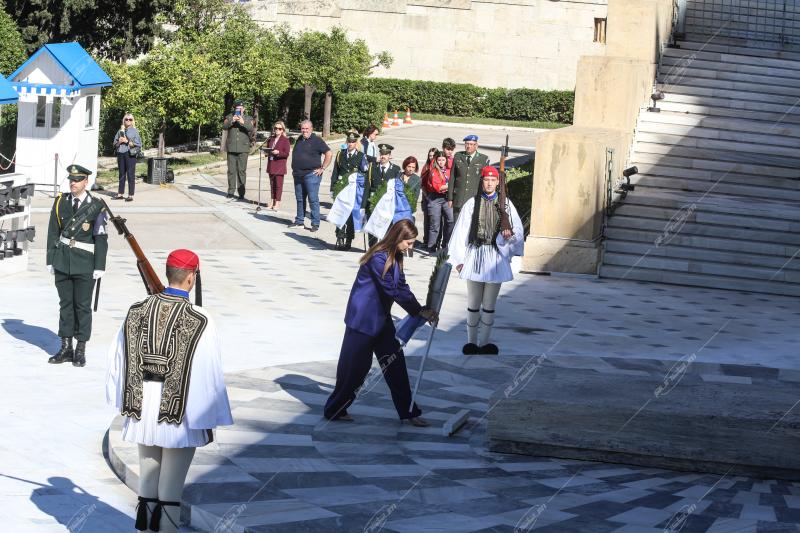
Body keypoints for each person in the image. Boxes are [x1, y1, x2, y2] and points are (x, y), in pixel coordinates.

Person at [106, 249, 233, 533]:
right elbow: (208, 371)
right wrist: (207, 417)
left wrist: (125, 400)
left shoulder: (137, 309)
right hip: (178, 411)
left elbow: (119, 358)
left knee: (148, 484)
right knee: (170, 491)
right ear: (191, 277)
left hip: (142, 407)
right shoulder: (201, 319)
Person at [324, 219, 437, 426]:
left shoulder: (396, 256)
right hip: (363, 322)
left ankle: (408, 412)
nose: (410, 248)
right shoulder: (378, 257)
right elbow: (392, 290)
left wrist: (422, 310)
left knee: (396, 366)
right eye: (408, 243)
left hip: (381, 321)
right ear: (398, 237)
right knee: (355, 370)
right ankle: (335, 409)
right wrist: (419, 311)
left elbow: (401, 286)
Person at [448, 166, 524, 356]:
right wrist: (459, 258)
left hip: (495, 257)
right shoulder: (471, 204)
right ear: (482, 181)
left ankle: (484, 342)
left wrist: (509, 236)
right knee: (473, 302)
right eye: (486, 180)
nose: (489, 183)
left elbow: (517, 232)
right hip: (475, 253)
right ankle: (471, 342)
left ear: (498, 182)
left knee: (489, 304)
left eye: (493, 180)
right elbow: (461, 232)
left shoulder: (506, 205)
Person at [46, 164, 109, 367]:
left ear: (85, 182)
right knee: (65, 306)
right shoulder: (60, 202)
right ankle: (66, 348)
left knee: (82, 307)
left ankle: (80, 349)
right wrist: (50, 260)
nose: (73, 183)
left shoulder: (96, 205)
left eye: (77, 179)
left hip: (85, 264)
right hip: (63, 261)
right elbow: (52, 233)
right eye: (71, 179)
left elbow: (100, 238)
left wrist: (99, 265)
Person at [290, 120, 332, 232]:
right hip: (298, 174)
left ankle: (315, 223)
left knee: (313, 199)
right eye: (303, 128)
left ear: (311, 129)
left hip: (311, 174)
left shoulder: (317, 140)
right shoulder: (299, 139)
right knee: (299, 199)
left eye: (306, 129)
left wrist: (322, 168)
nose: (304, 131)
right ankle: (299, 221)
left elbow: (328, 153)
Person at [330, 130, 369, 250]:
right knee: (340, 213)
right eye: (349, 141)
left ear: (355, 143)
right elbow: (335, 172)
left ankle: (349, 239)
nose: (350, 144)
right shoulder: (340, 154)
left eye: (353, 142)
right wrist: (333, 188)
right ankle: (340, 236)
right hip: (341, 188)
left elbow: (365, 172)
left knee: (351, 216)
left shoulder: (361, 156)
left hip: (353, 190)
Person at [364, 144, 402, 246]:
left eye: (385, 154)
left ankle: (384, 249)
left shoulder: (396, 169)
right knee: (373, 228)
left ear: (389, 155)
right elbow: (367, 187)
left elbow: (397, 189)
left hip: (387, 205)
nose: (383, 156)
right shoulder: (372, 167)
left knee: (386, 229)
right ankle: (372, 249)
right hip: (373, 203)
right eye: (381, 154)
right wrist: (363, 206)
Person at [448, 134, 489, 220]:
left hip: (473, 199)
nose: (468, 146)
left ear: (476, 146)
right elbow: (452, 178)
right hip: (459, 199)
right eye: (467, 144)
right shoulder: (458, 156)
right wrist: (450, 198)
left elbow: (484, 180)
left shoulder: (483, 159)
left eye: (471, 144)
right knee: (456, 227)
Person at [222, 100, 254, 201]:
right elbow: (224, 126)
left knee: (241, 171)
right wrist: (232, 120)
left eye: (240, 109)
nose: (239, 110)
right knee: (231, 171)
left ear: (244, 109)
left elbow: (251, 128)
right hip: (231, 148)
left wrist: (242, 122)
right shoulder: (229, 117)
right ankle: (231, 192)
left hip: (243, 148)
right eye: (237, 109)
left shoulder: (248, 118)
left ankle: (241, 193)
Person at [423, 150, 454, 252]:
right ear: (436, 160)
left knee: (450, 220)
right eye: (439, 160)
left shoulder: (449, 170)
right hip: (435, 198)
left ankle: (446, 245)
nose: (441, 162)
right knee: (435, 225)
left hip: (446, 198)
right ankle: (431, 247)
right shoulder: (434, 171)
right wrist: (451, 186)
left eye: (443, 160)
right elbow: (438, 187)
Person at [112, 113, 141, 202]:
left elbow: (138, 145)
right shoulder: (120, 131)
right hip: (121, 153)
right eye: (126, 119)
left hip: (130, 154)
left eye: (130, 119)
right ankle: (120, 193)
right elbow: (114, 144)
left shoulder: (135, 131)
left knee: (130, 174)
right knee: (121, 174)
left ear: (133, 121)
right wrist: (119, 142)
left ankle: (130, 195)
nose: (128, 121)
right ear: (124, 120)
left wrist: (127, 141)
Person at [265, 120, 291, 211]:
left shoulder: (285, 140)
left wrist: (278, 152)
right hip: (271, 164)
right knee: (272, 184)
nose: (277, 130)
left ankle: (277, 203)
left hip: (279, 165)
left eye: (279, 128)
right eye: (276, 128)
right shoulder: (271, 139)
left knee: (278, 185)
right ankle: (272, 201)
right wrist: (266, 152)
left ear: (283, 130)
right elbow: (269, 149)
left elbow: (286, 153)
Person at [420, 147, 437, 248]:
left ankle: (434, 241)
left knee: (435, 221)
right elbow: (422, 183)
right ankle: (426, 241)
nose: (431, 158)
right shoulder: (426, 167)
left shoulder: (439, 167)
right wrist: (426, 196)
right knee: (427, 220)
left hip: (436, 197)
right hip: (427, 196)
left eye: (433, 156)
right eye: (430, 156)